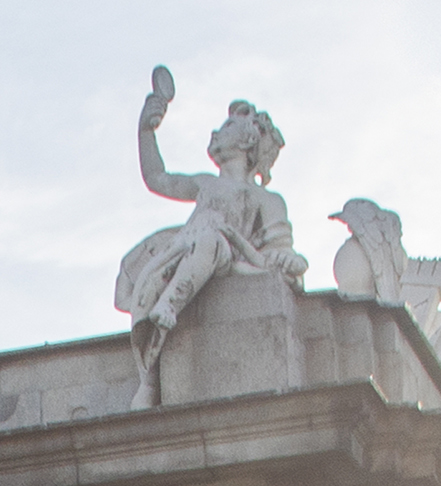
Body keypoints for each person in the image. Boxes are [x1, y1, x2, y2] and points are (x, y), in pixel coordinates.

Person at [115, 65, 302, 403]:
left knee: (211, 240)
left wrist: (282, 257)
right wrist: (146, 131)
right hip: (186, 248)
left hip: (227, 252)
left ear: (247, 140)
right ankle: (150, 369)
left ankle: (167, 313)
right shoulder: (205, 183)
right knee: (158, 273)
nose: (216, 130)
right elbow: (157, 178)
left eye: (228, 126)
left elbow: (281, 249)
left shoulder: (267, 199)